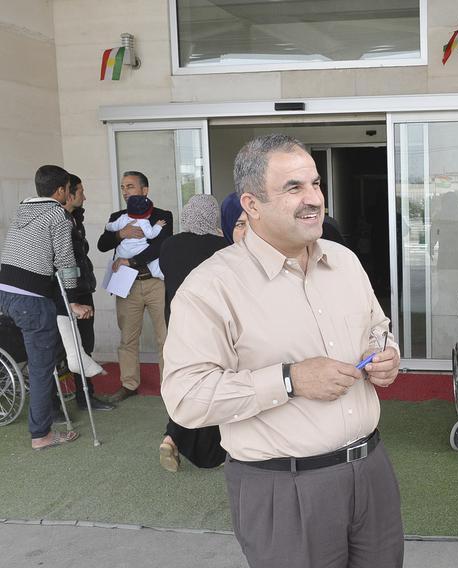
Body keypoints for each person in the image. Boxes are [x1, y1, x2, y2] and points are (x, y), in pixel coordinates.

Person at [161, 134, 404, 568]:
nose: (314, 199)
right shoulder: (211, 286)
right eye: (294, 188)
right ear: (251, 204)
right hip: (284, 487)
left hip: (371, 471)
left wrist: (386, 354)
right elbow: (185, 398)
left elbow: (379, 329)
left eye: (315, 184)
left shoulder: (344, 261)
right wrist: (290, 380)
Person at [0, 165, 92, 449]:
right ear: (61, 191)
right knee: (41, 367)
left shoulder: (22, 210)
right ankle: (41, 435)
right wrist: (75, 300)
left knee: (36, 360)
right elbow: (66, 264)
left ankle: (43, 422)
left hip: (5, 292)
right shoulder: (58, 215)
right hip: (31, 299)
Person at [157, 194, 229, 472]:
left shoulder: (170, 245)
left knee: (187, 384)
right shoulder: (222, 247)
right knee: (211, 386)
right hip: (212, 327)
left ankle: (171, 437)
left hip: (177, 323)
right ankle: (207, 451)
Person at [98, 171, 173, 403]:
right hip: (127, 284)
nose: (125, 191)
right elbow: (102, 244)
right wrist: (122, 233)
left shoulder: (162, 216)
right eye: (122, 187)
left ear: (145, 190)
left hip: (155, 283)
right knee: (128, 338)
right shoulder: (118, 217)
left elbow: (160, 247)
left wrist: (130, 260)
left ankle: (169, 386)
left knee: (166, 337)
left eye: (130, 186)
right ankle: (129, 384)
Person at [54, 173, 113, 412]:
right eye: (81, 192)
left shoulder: (76, 218)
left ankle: (85, 396)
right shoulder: (57, 222)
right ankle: (55, 405)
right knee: (61, 348)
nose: (85, 197)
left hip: (83, 289)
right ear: (69, 194)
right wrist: (68, 299)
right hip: (66, 293)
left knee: (86, 343)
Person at [104, 195, 167, 279]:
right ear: (147, 214)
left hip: (124, 250)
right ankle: (161, 274)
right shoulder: (144, 221)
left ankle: (117, 280)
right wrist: (157, 226)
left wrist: (107, 226)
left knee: (117, 261)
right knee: (155, 261)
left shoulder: (123, 218)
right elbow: (150, 234)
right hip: (139, 250)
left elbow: (113, 226)